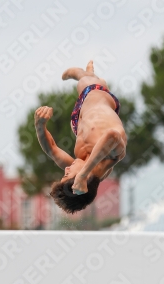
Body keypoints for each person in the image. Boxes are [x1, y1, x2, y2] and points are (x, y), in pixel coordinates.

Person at [34, 60, 127, 214]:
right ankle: (82, 72)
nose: (67, 169)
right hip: (96, 94)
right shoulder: (112, 156)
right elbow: (112, 136)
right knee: (86, 80)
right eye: (67, 174)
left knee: (90, 84)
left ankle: (89, 75)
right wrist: (83, 174)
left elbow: (52, 150)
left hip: (79, 121)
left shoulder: (79, 162)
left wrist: (39, 126)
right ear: (81, 180)